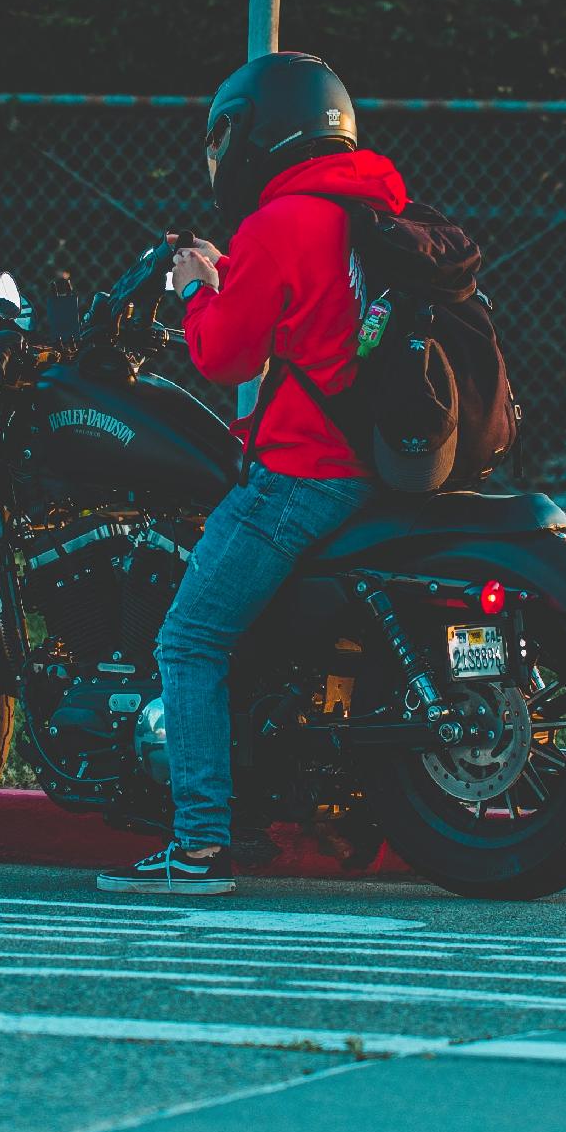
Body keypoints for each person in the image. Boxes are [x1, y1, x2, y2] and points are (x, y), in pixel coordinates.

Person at [99, 52, 406, 895]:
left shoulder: (279, 223)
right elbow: (315, 319)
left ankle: (197, 848)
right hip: (369, 464)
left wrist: (198, 287)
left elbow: (224, 352)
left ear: (257, 131)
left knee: (187, 637)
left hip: (305, 473)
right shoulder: (365, 209)